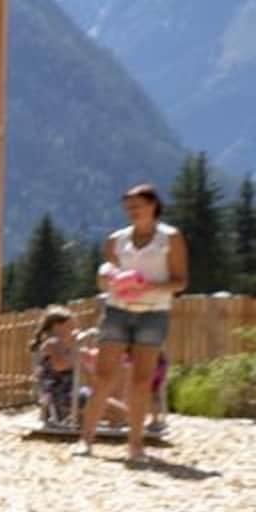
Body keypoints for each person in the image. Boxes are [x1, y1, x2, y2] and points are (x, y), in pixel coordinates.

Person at [80, 182, 188, 465]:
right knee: (104, 376)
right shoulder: (116, 240)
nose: (132, 211)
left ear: (153, 206)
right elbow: (106, 276)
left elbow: (180, 282)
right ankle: (86, 439)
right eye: (128, 207)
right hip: (117, 311)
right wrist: (107, 280)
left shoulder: (170, 238)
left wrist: (147, 286)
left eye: (137, 206)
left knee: (141, 381)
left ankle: (135, 446)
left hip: (153, 313)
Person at [32, 306, 77, 433]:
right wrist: (77, 356)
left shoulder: (61, 345)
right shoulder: (52, 344)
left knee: (104, 403)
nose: (74, 331)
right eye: (70, 327)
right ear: (57, 326)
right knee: (101, 403)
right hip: (60, 396)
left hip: (67, 394)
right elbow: (60, 365)